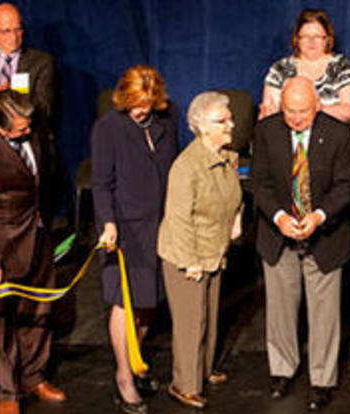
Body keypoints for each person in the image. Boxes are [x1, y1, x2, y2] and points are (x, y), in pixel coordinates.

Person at [252, 77, 350, 411]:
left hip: (324, 235)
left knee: (324, 314)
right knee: (280, 310)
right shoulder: (267, 131)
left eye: (302, 112)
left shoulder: (339, 134)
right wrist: (281, 217)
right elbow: (260, 183)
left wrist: (319, 216)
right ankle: (282, 371)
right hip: (278, 234)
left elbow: (346, 187)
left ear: (317, 106)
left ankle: (322, 380)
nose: (296, 119)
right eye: (289, 112)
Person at [0, 90, 65, 414]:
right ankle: (8, 392)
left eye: (29, 125)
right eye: (21, 129)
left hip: (36, 230)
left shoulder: (31, 123)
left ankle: (33, 376)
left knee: (39, 306)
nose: (28, 131)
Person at [92, 65, 179, 414]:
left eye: (146, 102)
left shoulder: (167, 119)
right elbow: (101, 183)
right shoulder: (108, 129)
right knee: (125, 303)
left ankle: (135, 360)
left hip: (160, 225)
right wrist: (108, 223)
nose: (140, 109)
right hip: (124, 228)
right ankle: (124, 376)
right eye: (133, 103)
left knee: (148, 303)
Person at [157, 91, 242, 410]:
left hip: (213, 249)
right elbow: (178, 219)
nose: (231, 124)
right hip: (186, 254)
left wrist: (236, 219)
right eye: (223, 120)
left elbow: (234, 196)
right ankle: (184, 384)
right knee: (191, 323)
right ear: (202, 127)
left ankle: (203, 370)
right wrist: (190, 262)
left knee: (208, 316)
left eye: (229, 117)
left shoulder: (225, 158)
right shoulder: (186, 166)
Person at [259, 8, 350, 123]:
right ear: (297, 39)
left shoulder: (342, 67)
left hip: (333, 135)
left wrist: (315, 108)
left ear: (327, 39)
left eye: (317, 36)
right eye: (306, 36)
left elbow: (349, 112)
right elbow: (270, 113)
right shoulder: (280, 69)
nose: (311, 41)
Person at [0, 3, 54, 125]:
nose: (13, 37)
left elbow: (46, 110)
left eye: (17, 29)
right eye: (6, 31)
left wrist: (16, 96)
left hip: (29, 138)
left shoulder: (41, 62)